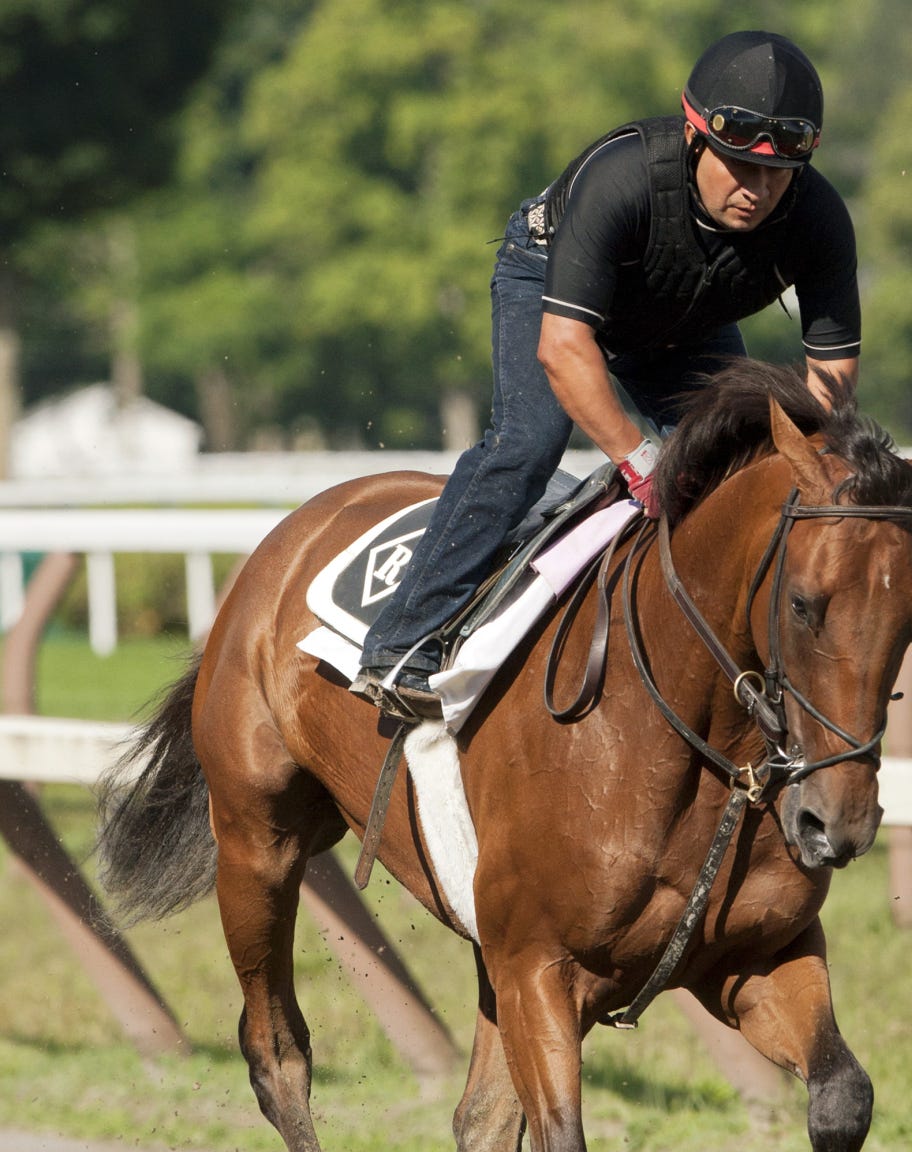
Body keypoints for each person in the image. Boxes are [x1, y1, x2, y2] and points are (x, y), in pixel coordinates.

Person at [354, 29, 861, 718]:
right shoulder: (622, 177)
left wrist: (813, 466)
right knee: (529, 443)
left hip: (683, 318)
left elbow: (830, 377)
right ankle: (400, 641)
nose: (758, 190)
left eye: (778, 174)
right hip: (552, 282)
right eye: (740, 166)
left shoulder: (820, 217)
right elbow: (565, 349)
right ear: (694, 134)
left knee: (747, 468)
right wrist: (639, 460)